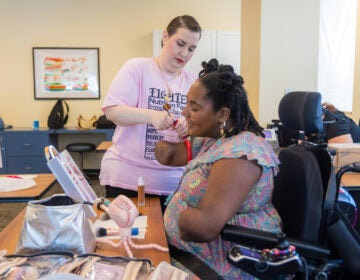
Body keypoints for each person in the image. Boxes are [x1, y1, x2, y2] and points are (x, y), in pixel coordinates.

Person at [155, 58, 282, 279]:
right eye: (187, 103)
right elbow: (167, 155)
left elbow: (204, 227)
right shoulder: (216, 140)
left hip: (216, 266)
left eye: (194, 107)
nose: (185, 112)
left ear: (222, 114)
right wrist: (168, 128)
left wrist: (178, 215)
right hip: (187, 256)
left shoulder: (241, 153)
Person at [99, 15, 202, 208]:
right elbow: (112, 111)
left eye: (191, 49)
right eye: (180, 44)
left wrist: (188, 127)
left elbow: (201, 125)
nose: (184, 53)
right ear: (165, 36)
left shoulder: (192, 81)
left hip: (174, 183)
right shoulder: (137, 68)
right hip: (129, 178)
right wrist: (152, 116)